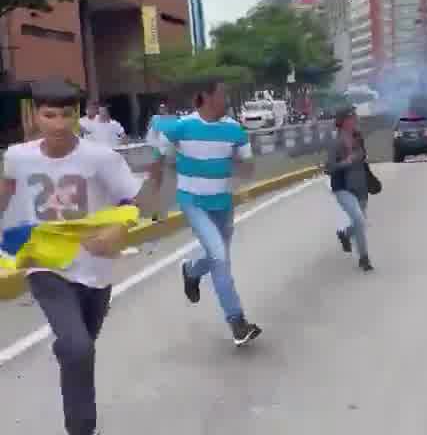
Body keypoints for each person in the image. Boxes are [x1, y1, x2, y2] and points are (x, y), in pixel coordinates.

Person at [0, 79, 143, 435]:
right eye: (50, 115)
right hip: (44, 264)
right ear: (34, 116)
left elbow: (135, 201)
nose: (60, 124)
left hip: (95, 269)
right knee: (79, 348)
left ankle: (70, 350)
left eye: (68, 115)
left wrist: (118, 230)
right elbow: (4, 195)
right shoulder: (18, 156)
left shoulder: (100, 157)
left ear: (78, 115)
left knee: (80, 350)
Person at [148, 77, 262, 346]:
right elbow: (158, 159)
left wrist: (243, 176)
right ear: (207, 97)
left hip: (223, 204)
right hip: (193, 203)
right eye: (223, 95)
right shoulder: (181, 127)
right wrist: (155, 198)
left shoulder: (235, 129)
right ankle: (237, 322)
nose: (227, 100)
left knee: (215, 256)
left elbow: (248, 164)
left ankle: (191, 271)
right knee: (220, 257)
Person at [327, 107, 374, 271]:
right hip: (343, 187)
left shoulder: (358, 137)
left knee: (359, 222)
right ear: (345, 121)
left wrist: (358, 156)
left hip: (360, 184)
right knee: (360, 221)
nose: (356, 119)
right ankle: (364, 258)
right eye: (353, 117)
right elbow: (330, 167)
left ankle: (346, 235)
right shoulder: (335, 142)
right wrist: (346, 162)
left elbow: (363, 155)